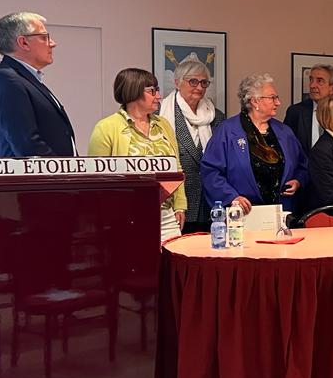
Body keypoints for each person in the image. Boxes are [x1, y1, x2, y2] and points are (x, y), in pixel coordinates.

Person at [88, 68, 186, 241]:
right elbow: (96, 179)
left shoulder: (164, 125)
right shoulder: (106, 127)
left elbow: (177, 168)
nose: (159, 96)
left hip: (166, 217)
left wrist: (180, 206)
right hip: (124, 217)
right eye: (152, 91)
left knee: (172, 258)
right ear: (133, 91)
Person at [201, 73, 308, 216]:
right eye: (272, 98)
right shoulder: (227, 131)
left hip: (281, 213)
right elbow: (211, 171)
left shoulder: (284, 132)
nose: (278, 103)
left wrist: (298, 181)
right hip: (243, 214)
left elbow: (303, 165)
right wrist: (231, 197)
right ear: (254, 101)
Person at [0, 11, 75, 157]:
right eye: (44, 37)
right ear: (23, 42)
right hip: (38, 172)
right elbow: (28, 146)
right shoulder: (8, 80)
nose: (53, 44)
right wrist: (62, 170)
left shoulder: (21, 79)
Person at [159, 58, 224, 232]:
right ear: (177, 83)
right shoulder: (161, 114)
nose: (199, 87)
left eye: (204, 82)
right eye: (193, 81)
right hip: (177, 198)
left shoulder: (216, 116)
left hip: (209, 198)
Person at [284, 63, 333, 155]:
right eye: (311, 80)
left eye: (319, 81)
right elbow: (286, 146)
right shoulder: (295, 111)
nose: (312, 85)